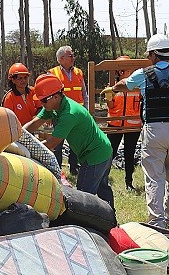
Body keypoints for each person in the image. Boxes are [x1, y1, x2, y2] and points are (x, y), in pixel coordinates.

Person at [102, 34, 169, 229]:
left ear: (153, 54)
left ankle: (157, 222)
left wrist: (112, 89)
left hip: (154, 131)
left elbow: (125, 84)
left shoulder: (144, 73)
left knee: (154, 178)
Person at [24, 73, 114, 209]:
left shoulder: (69, 114)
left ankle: (89, 225)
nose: (41, 104)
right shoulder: (54, 107)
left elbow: (52, 143)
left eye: (43, 101)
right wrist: (19, 136)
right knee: (103, 189)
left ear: (55, 96)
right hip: (103, 150)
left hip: (95, 155)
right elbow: (33, 124)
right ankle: (111, 221)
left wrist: (27, 152)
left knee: (83, 199)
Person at [48, 46, 88, 175]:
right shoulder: (52, 73)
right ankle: (57, 169)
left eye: (72, 55)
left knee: (75, 142)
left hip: (77, 115)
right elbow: (48, 96)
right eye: (70, 56)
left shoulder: (79, 72)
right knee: (57, 142)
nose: (73, 58)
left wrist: (86, 110)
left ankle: (74, 168)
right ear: (61, 59)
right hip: (59, 115)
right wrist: (49, 114)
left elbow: (84, 93)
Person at [104, 56, 142, 191]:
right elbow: (111, 106)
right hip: (115, 124)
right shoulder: (113, 87)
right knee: (110, 152)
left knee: (129, 153)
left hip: (133, 125)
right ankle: (103, 178)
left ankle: (129, 182)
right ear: (121, 72)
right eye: (129, 70)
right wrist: (109, 97)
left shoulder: (137, 87)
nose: (132, 72)